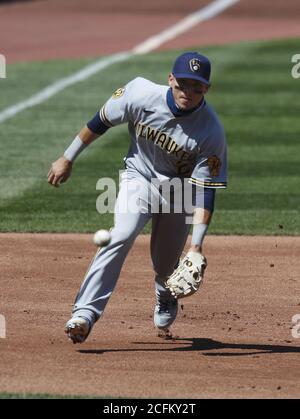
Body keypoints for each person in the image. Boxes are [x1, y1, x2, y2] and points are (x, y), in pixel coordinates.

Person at [47, 52, 227, 344]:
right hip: (139, 179)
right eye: (183, 84)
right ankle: (84, 314)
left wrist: (196, 246)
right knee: (120, 235)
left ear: (206, 88)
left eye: (197, 87)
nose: (188, 93)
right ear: (170, 79)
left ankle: (164, 295)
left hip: (179, 192)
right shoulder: (140, 93)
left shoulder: (211, 130)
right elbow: (100, 121)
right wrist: (67, 158)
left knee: (167, 266)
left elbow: (206, 190)